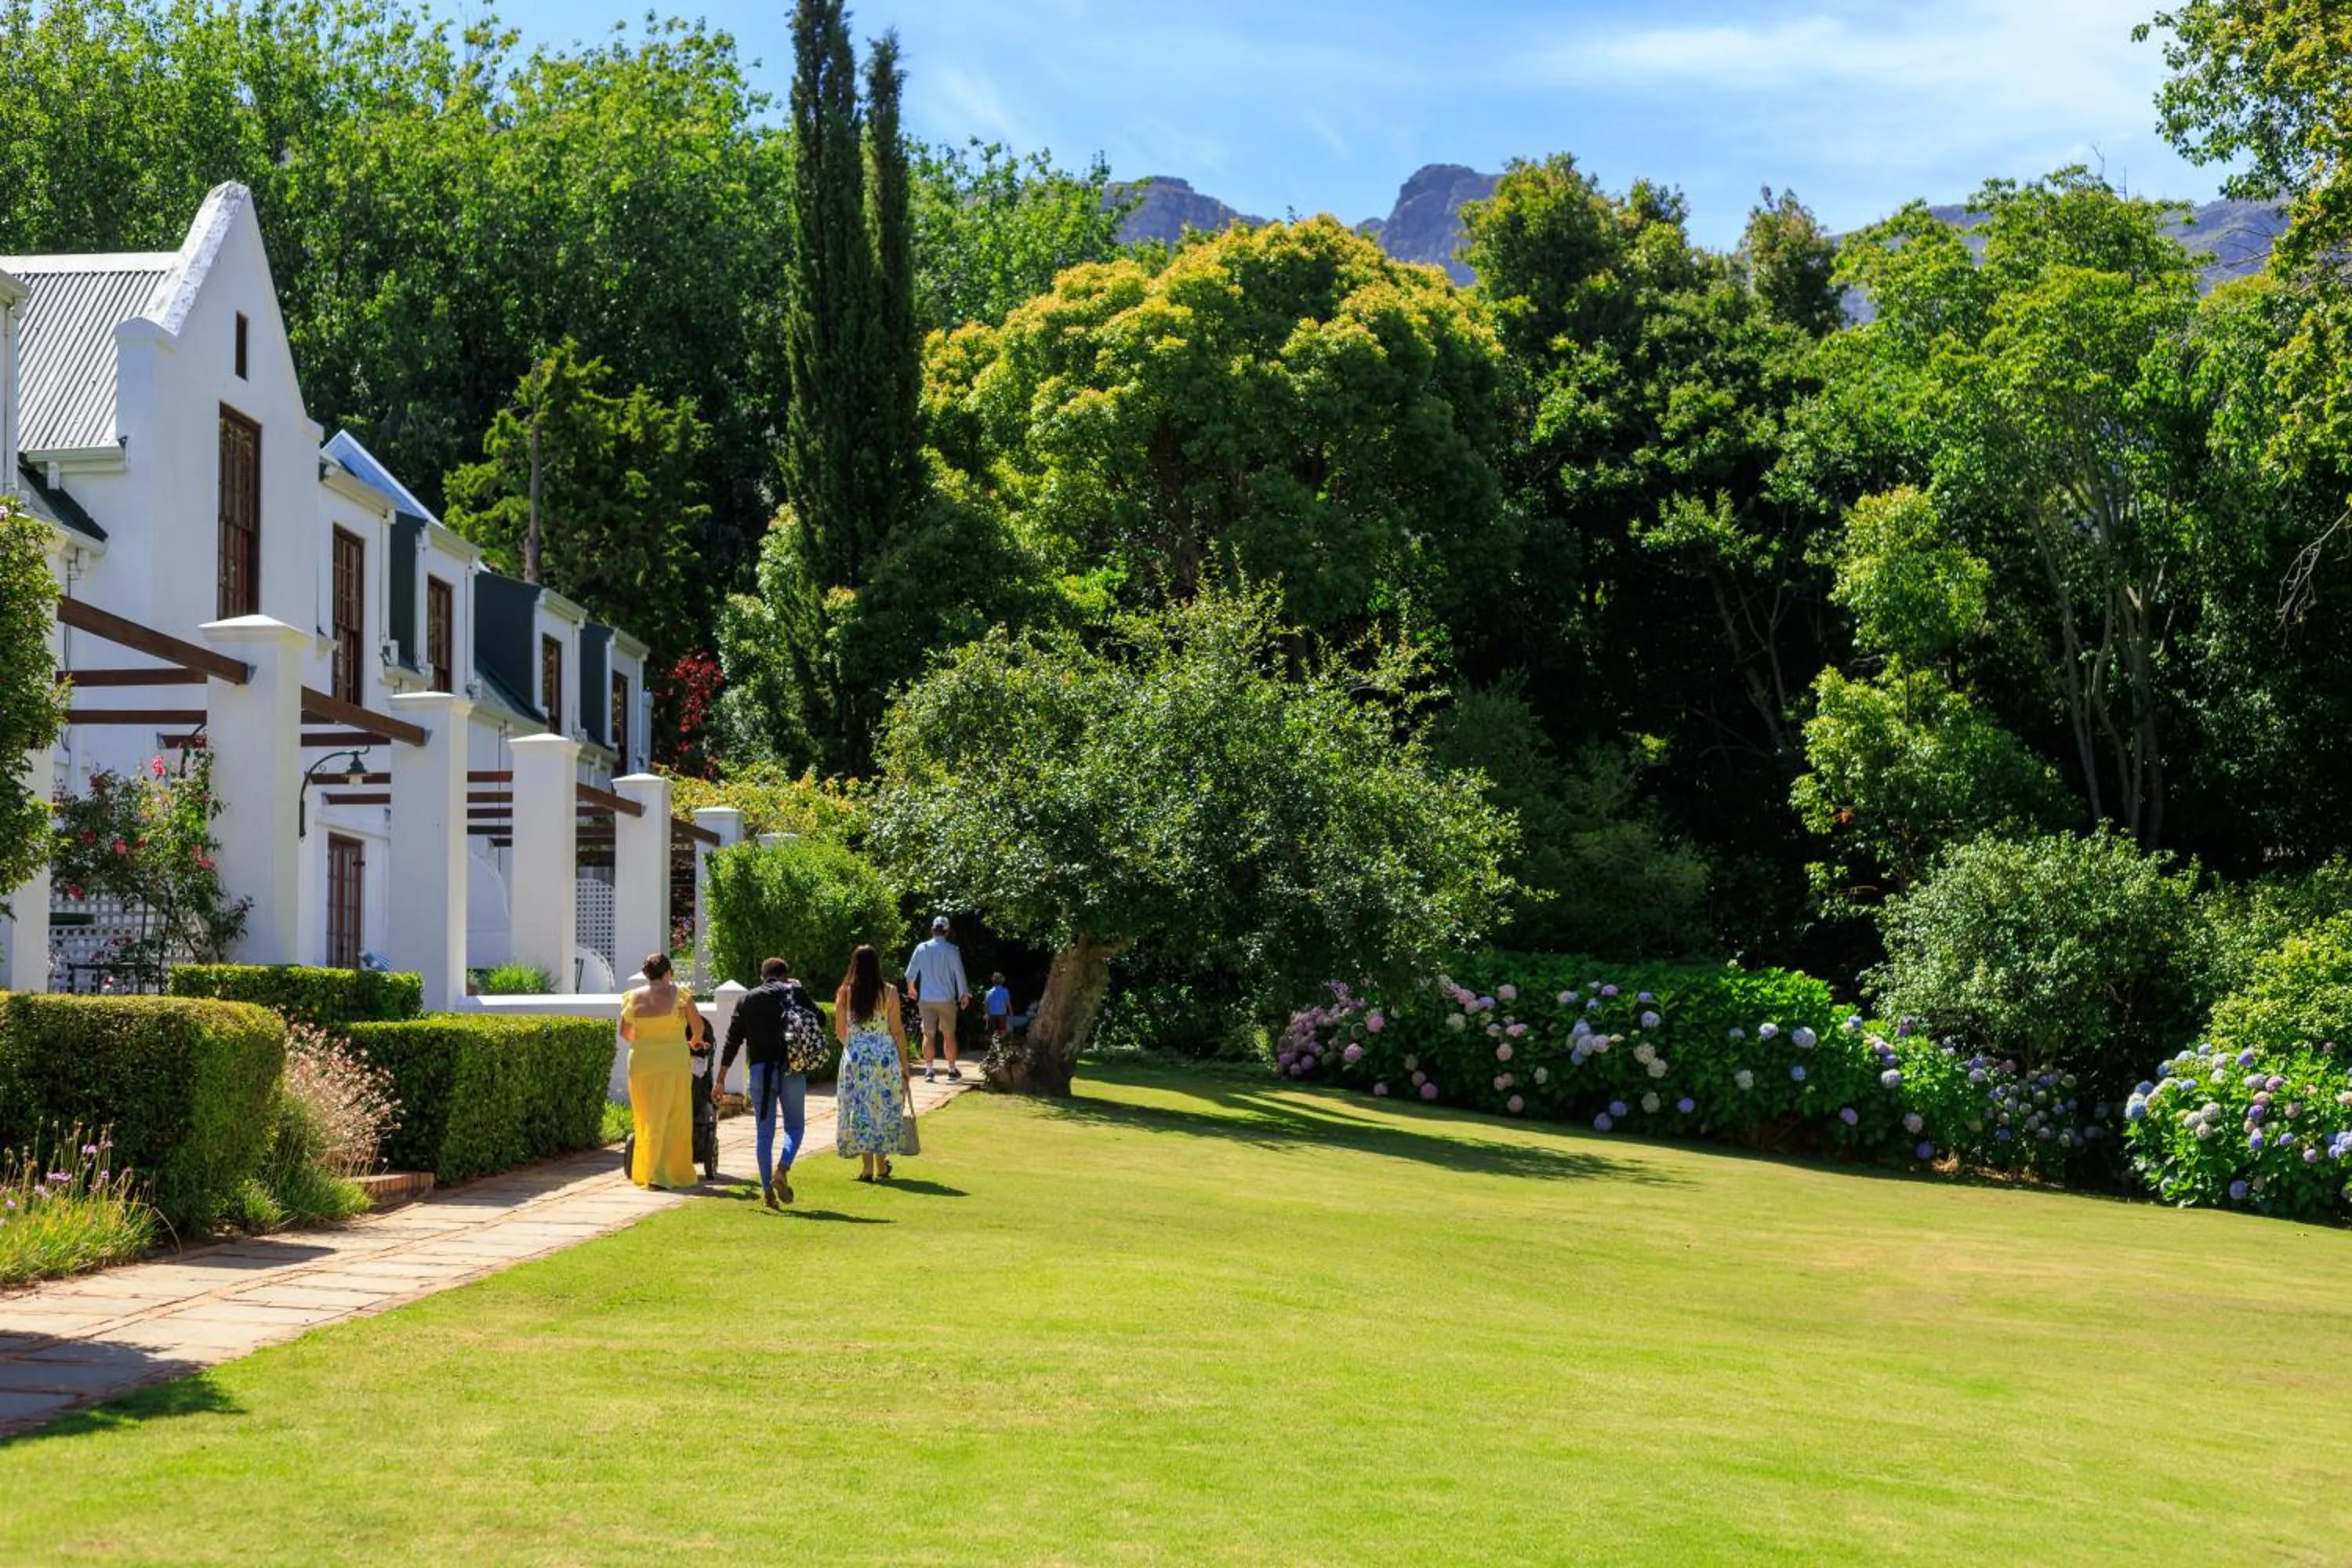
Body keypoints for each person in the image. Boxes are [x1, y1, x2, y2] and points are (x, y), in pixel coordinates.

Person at [718, 956, 827, 1209]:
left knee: (764, 1134)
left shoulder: (746, 999)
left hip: (759, 1072)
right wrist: (800, 992)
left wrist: (721, 1079)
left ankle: (767, 1190)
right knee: (795, 1128)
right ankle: (782, 1169)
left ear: (762, 977)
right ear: (785, 976)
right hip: (791, 1070)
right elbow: (820, 1019)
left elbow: (732, 1041)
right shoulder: (793, 992)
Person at [618, 953, 698, 1190]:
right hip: (673, 1061)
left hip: (642, 1062)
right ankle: (668, 1172)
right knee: (674, 1115)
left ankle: (649, 1170)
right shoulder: (681, 996)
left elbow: (625, 1032)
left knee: (647, 1117)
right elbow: (698, 1027)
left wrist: (645, 1041)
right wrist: (694, 1042)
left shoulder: (633, 997)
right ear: (667, 972)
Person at [835, 944, 913, 1181]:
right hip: (885, 1056)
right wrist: (905, 1063)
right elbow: (897, 1030)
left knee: (859, 1107)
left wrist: (855, 1047)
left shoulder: (845, 992)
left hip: (857, 1057)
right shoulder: (889, 992)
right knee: (884, 1105)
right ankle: (881, 1164)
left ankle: (867, 1167)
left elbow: (840, 1030)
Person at [905, 915, 971, 1082]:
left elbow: (910, 973)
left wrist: (911, 989)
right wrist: (963, 994)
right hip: (946, 998)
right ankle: (951, 1069)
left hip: (926, 998)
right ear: (947, 931)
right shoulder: (952, 950)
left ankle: (929, 1071)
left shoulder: (922, 948)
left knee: (928, 1034)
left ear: (933, 929)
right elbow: (959, 974)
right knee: (949, 1035)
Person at [984, 971, 1013, 1049]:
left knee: (994, 1032)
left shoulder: (989, 992)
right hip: (1002, 1014)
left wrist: (986, 1014)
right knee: (1003, 1030)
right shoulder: (1005, 991)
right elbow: (1008, 1003)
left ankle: (995, 1047)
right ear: (1002, 981)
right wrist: (1011, 1013)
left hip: (992, 1015)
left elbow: (986, 1005)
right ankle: (1001, 1046)